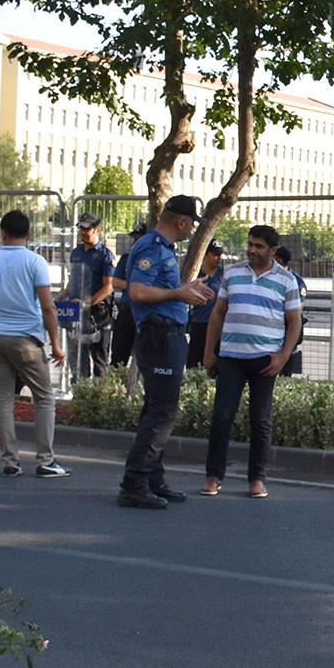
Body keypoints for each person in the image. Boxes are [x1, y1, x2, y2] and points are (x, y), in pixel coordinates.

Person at [117, 196, 214, 509]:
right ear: (181, 222)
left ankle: (151, 479)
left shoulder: (161, 249)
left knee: (156, 410)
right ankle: (134, 483)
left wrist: (186, 290)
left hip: (166, 337)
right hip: (159, 337)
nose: (190, 231)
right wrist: (178, 293)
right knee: (162, 412)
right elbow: (137, 291)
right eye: (190, 224)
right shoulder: (151, 247)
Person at [0, 209, 70, 478]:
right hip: (26, 339)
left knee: (3, 399)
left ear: (2, 233)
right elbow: (47, 307)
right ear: (29, 234)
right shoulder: (35, 262)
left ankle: (9, 460)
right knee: (44, 397)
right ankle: (46, 460)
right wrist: (56, 343)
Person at [201, 224, 303, 499]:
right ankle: (213, 476)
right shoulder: (232, 274)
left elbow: (294, 322)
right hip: (232, 357)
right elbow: (218, 314)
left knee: (260, 420)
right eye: (250, 244)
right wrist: (209, 351)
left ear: (273, 250)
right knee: (222, 417)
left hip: (265, 360)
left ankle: (257, 478)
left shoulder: (286, 280)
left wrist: (283, 355)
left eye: (258, 246)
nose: (252, 250)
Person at [67, 212, 118, 380]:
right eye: (81, 228)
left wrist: (87, 303)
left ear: (97, 230)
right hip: (77, 312)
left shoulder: (105, 255)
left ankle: (98, 397)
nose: (83, 232)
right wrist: (63, 294)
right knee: (77, 359)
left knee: (99, 360)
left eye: (87, 229)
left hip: (98, 313)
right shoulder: (76, 253)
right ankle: (79, 391)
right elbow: (73, 279)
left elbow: (108, 287)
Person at [109, 223, 144, 370]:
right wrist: (137, 287)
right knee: (118, 357)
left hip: (143, 313)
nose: (134, 243)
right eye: (134, 239)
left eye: (138, 239)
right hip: (126, 311)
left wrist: (131, 285)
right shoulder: (126, 258)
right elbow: (115, 282)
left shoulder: (151, 260)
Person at [184, 240, 225, 367]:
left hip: (219, 326)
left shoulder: (223, 274)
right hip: (200, 324)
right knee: (195, 364)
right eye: (215, 255)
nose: (219, 258)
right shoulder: (196, 274)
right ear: (206, 254)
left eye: (221, 254)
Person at [273, 244, 308, 375]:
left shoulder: (295, 281)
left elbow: (298, 309)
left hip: (288, 327)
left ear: (279, 261)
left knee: (286, 364)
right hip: (272, 327)